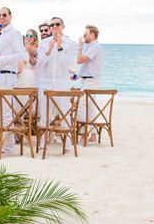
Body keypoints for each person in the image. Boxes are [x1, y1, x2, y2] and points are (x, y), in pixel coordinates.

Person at [0, 7, 25, 153]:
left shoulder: (14, 33)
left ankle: (8, 146)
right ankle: (7, 137)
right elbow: (0, 56)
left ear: (10, 16)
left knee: (6, 111)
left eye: (4, 15)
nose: (1, 17)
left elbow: (20, 54)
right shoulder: (1, 35)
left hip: (8, 76)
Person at [36, 16, 78, 151]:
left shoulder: (70, 43)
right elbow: (40, 63)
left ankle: (67, 144)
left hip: (62, 83)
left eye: (57, 24)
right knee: (44, 114)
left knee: (64, 113)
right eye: (52, 24)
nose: (54, 26)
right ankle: (43, 143)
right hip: (45, 82)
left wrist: (59, 48)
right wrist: (48, 50)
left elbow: (67, 64)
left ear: (63, 26)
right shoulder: (43, 43)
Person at [76, 24, 104, 132]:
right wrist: (78, 75)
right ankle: (92, 134)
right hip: (89, 80)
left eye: (85, 35)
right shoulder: (93, 47)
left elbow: (80, 60)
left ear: (92, 34)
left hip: (91, 81)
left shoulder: (95, 47)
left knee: (81, 107)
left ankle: (83, 134)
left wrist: (80, 47)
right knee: (91, 108)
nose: (84, 37)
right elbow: (89, 66)